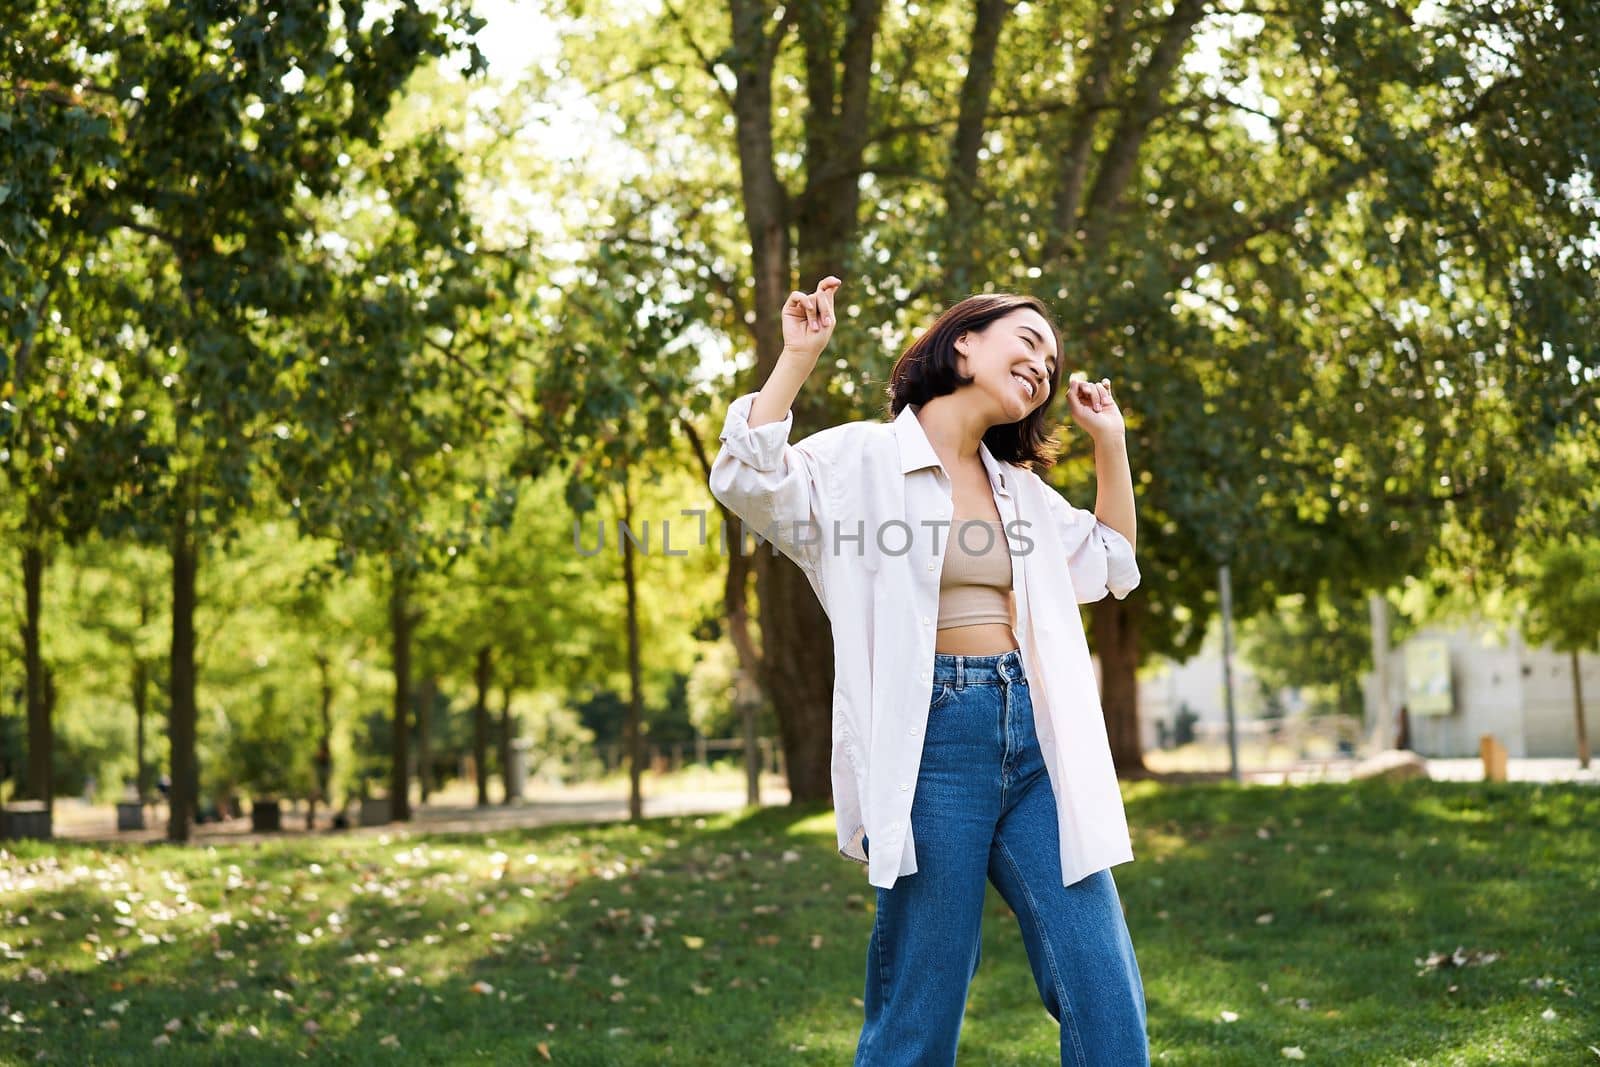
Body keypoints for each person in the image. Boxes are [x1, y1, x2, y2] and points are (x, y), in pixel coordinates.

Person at [709, 276, 1149, 1065]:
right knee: (924, 999)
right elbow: (747, 479)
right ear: (965, 341)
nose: (1044, 366)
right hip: (931, 750)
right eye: (1029, 341)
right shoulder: (860, 461)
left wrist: (1108, 442)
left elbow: (1111, 560)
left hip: (1037, 742)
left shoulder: (1021, 494)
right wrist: (797, 359)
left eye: (1051, 361)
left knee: (1102, 978)